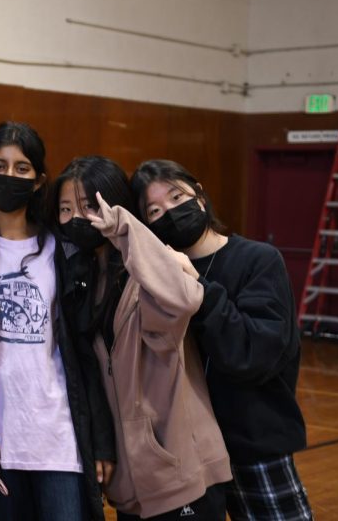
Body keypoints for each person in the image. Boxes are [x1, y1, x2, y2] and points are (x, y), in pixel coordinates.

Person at [130, 159, 311, 521]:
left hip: (254, 444)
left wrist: (199, 288)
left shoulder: (258, 260)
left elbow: (255, 353)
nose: (170, 211)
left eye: (177, 196)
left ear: (199, 194)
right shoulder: (154, 282)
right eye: (155, 210)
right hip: (190, 452)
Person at [54, 156, 231, 520]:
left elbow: (185, 299)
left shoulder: (151, 269)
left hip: (180, 466)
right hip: (133, 478)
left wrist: (123, 228)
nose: (80, 218)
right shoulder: (84, 277)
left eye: (89, 206)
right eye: (66, 208)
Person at [0, 122, 113, 521]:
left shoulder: (62, 250)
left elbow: (85, 354)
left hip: (59, 438)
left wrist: (101, 441)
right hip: (1, 441)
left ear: (38, 181)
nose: (9, 176)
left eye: (21, 168)